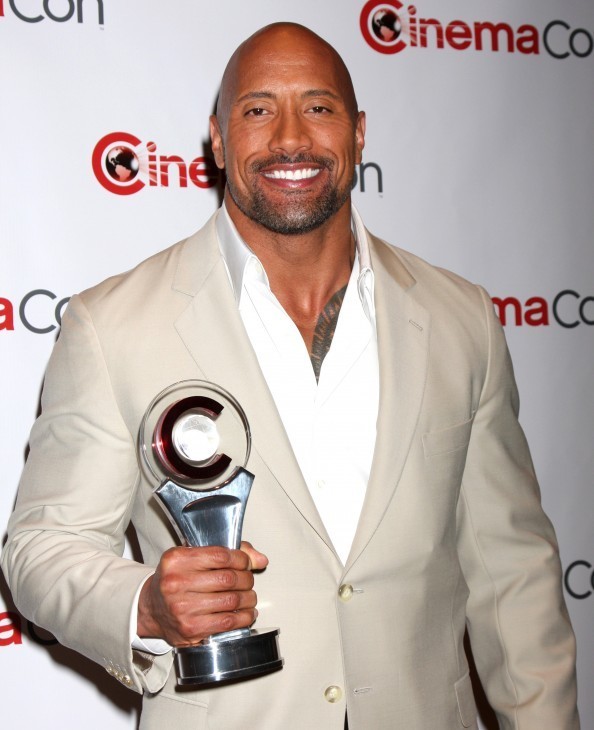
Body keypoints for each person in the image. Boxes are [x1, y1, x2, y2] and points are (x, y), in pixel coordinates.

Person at [2, 22, 579, 730]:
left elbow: (513, 572)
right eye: (256, 110)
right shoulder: (112, 324)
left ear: (359, 132)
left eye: (318, 106)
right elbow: (41, 547)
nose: (290, 138)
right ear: (217, 139)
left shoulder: (462, 318)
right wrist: (142, 604)